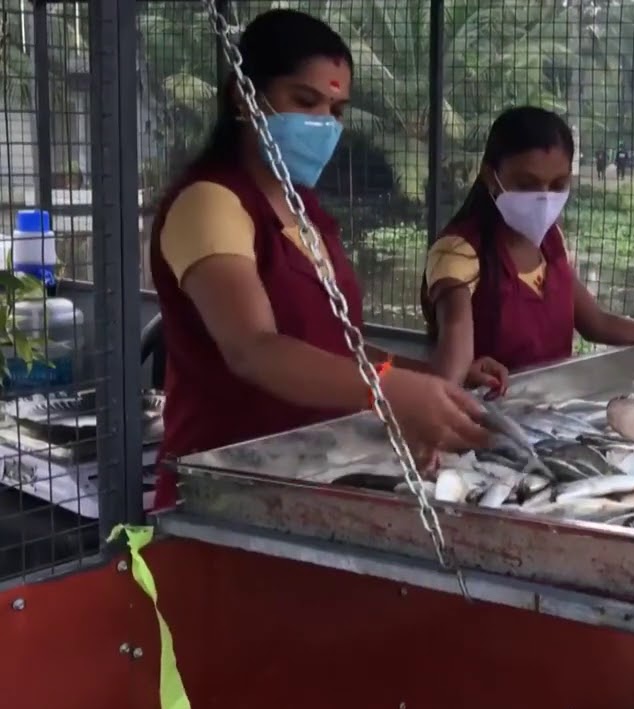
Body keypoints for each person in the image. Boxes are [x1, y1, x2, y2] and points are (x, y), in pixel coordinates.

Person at [148, 9, 501, 510]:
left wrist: (428, 381)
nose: (323, 123)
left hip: (312, 481)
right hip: (222, 494)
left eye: (336, 109)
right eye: (305, 100)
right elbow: (253, 348)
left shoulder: (305, 210)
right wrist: (392, 390)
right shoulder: (209, 202)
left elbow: (336, 347)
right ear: (242, 97)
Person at [421, 106, 634, 386]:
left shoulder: (550, 241)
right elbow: (453, 358)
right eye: (527, 184)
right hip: (487, 418)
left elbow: (597, 323)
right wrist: (460, 377)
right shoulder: (459, 253)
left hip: (551, 409)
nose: (544, 197)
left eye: (558, 185)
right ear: (492, 177)